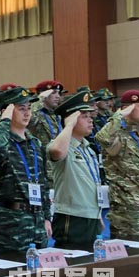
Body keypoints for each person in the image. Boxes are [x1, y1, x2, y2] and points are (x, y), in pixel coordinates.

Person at [0, 87, 51, 258]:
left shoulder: (35, 143)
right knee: (13, 276)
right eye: (21, 109)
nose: (27, 113)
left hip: (36, 218)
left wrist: (46, 217)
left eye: (29, 108)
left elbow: (42, 183)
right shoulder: (1, 140)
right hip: (12, 220)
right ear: (5, 111)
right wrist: (5, 121)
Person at [47, 90, 102, 250]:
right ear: (70, 118)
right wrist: (69, 124)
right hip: (71, 218)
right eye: (84, 116)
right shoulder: (59, 144)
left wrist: (97, 215)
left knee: (92, 264)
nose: (90, 120)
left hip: (91, 215)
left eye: (90, 116)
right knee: (73, 268)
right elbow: (57, 152)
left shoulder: (88, 149)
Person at [95, 90, 139, 240]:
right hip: (128, 214)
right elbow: (102, 138)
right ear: (128, 108)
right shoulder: (117, 133)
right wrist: (119, 115)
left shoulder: (138, 132)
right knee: (131, 261)